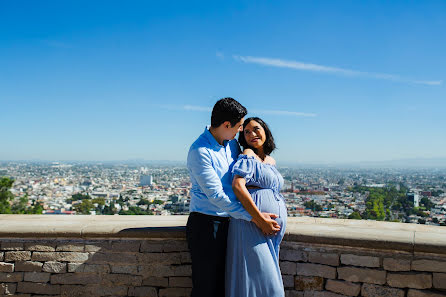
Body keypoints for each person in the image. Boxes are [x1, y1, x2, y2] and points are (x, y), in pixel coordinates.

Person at [186, 98, 280, 297]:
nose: (240, 132)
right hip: (208, 224)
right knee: (207, 286)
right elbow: (216, 196)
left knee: (226, 285)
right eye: (238, 127)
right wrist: (254, 217)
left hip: (232, 223)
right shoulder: (200, 151)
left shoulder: (232, 146)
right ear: (226, 125)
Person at [226, 117, 288, 297]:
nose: (252, 134)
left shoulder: (270, 160)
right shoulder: (248, 154)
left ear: (265, 131)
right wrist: (260, 219)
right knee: (266, 284)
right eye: (246, 132)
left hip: (268, 230)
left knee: (262, 281)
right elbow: (238, 186)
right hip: (252, 226)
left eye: (256, 129)